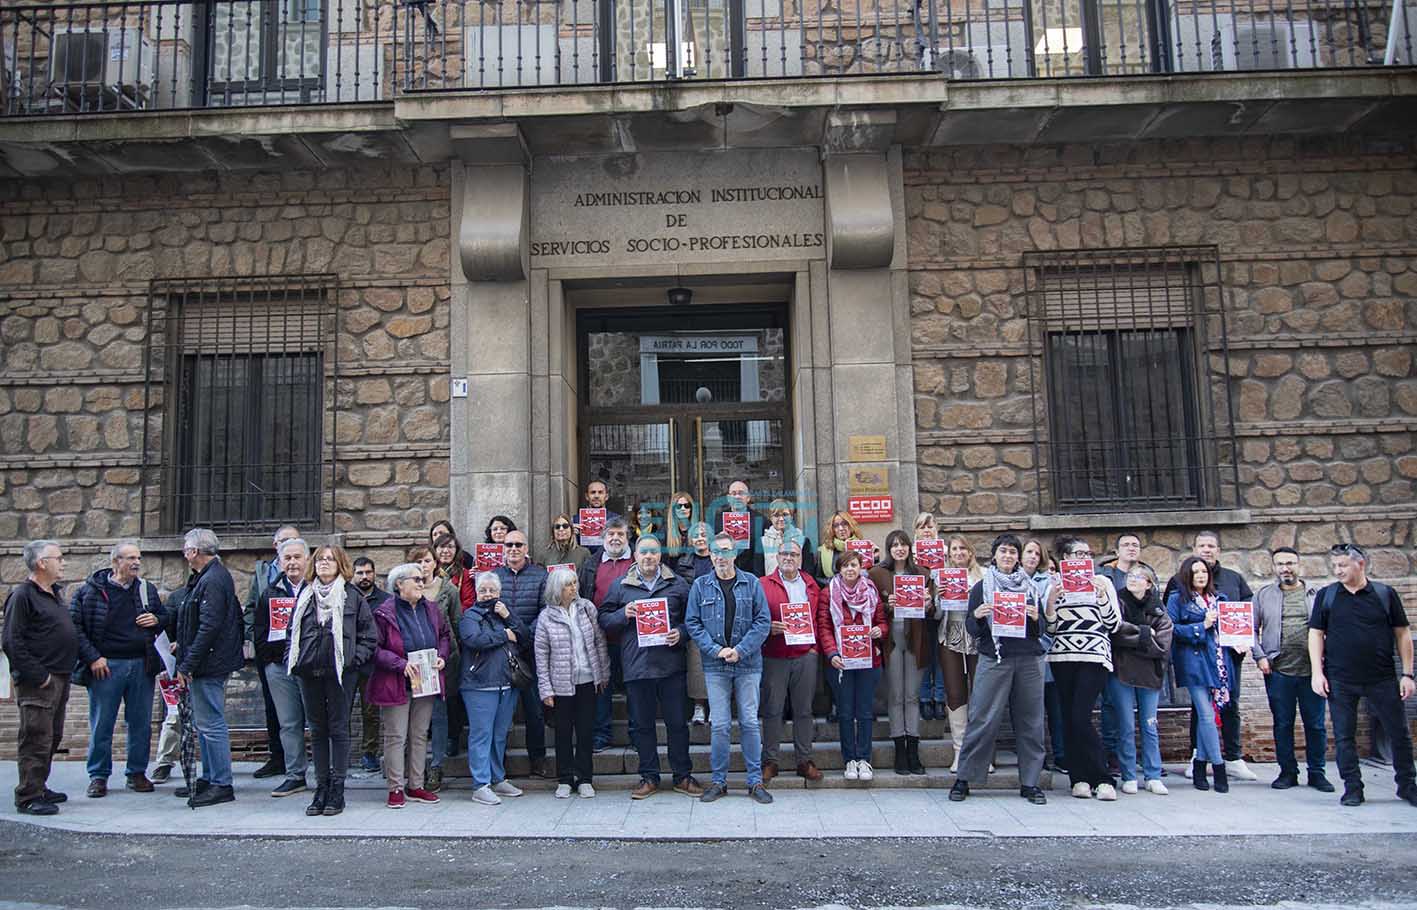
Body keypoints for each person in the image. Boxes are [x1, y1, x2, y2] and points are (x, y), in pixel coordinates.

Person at [1309, 543, 1416, 808]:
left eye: (1343, 565)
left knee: (1399, 732)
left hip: (1382, 677)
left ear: (1361, 564)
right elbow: (1315, 634)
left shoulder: (1384, 594)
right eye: (1334, 566)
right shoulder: (1327, 596)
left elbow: (1402, 634)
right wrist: (1317, 673)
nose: (1338, 570)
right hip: (1340, 679)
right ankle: (1353, 788)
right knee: (1344, 736)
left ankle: (1407, 785)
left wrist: (1408, 674)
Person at [599, 536, 704, 799]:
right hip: (637, 666)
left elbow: (693, 619)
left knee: (677, 724)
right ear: (635, 555)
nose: (648, 556)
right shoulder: (621, 586)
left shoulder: (677, 584)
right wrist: (624, 614)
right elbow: (604, 619)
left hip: (671, 666)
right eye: (643, 551)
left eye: (653, 552)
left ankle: (682, 775)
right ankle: (649, 776)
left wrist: (680, 633)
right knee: (641, 726)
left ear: (660, 556)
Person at [948, 534, 1048, 805]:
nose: (1008, 556)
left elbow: (1043, 629)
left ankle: (1030, 782)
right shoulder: (982, 587)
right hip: (995, 658)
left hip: (1028, 659)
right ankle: (964, 779)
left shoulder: (1030, 588)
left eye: (1013, 552)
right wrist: (978, 616)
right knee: (982, 718)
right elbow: (971, 627)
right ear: (994, 556)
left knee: (1031, 722)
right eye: (1003, 552)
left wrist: (1038, 619)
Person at [70, 540, 166, 798]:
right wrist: (93, 658)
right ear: (116, 562)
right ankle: (98, 776)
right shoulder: (89, 591)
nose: (136, 563)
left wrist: (157, 619)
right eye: (130, 558)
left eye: (138, 558)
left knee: (141, 723)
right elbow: (75, 627)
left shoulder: (146, 589)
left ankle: (136, 773)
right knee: (102, 723)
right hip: (106, 666)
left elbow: (165, 618)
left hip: (141, 665)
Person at [286, 544, 376, 817]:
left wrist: (352, 660)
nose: (324, 563)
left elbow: (369, 636)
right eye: (321, 559)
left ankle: (337, 787)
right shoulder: (305, 595)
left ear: (340, 565)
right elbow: (292, 632)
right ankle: (320, 786)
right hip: (309, 672)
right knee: (317, 730)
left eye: (330, 559)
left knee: (338, 729)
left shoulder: (352, 596)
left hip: (340, 674)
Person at [686, 532, 773, 804]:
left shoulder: (752, 583)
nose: (721, 557)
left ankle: (755, 782)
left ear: (735, 554)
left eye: (726, 551)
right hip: (715, 666)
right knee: (720, 725)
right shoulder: (700, 586)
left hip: (748, 665)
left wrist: (740, 650)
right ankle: (718, 782)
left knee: (749, 722)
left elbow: (763, 621)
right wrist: (717, 650)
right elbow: (693, 623)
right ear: (710, 555)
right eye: (716, 552)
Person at [1165, 530, 1257, 782]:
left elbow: (1245, 613)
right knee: (1202, 711)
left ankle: (1232, 758)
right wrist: (1201, 626)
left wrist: (1243, 640)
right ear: (1194, 549)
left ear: (1218, 550)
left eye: (1212, 545)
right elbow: (1169, 624)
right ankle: (1205, 761)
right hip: (1196, 659)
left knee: (1229, 705)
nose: (1207, 550)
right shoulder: (1177, 585)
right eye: (1202, 545)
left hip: (1225, 658)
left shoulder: (1232, 580)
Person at [3, 540, 77, 816]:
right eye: (58, 558)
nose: (63, 562)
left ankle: (40, 785)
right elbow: (12, 640)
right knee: (35, 737)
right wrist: (39, 676)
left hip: (60, 675)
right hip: (40, 681)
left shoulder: (53, 593)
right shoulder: (23, 595)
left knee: (52, 735)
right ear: (41, 563)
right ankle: (28, 795)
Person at [368, 563, 450, 809]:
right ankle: (395, 787)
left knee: (419, 735)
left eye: (421, 578)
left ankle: (416, 785)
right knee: (396, 736)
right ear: (399, 584)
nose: (421, 582)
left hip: (425, 680)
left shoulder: (432, 609)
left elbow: (445, 635)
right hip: (397, 682)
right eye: (415, 579)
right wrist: (399, 664)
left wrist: (442, 656)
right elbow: (374, 648)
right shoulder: (384, 613)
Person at [1045, 536, 1122, 801]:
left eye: (1087, 554)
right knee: (1068, 717)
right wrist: (1052, 602)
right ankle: (1078, 778)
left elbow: (1114, 623)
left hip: (1094, 655)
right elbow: (1050, 628)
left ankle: (1102, 777)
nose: (1084, 559)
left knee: (1081, 715)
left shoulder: (1104, 582)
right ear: (1065, 558)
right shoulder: (1053, 584)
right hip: (1062, 656)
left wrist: (1100, 597)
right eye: (1078, 554)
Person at [173, 528, 245, 808]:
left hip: (209, 664)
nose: (183, 553)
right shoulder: (208, 577)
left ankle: (221, 783)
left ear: (193, 552)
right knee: (204, 724)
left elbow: (209, 625)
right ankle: (209, 777)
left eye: (185, 548)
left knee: (211, 723)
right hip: (206, 662)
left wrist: (188, 663)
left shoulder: (213, 579)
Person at [1253, 547, 1332, 793]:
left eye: (1290, 563)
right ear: (1274, 567)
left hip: (1313, 671)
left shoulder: (1318, 594)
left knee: (1316, 725)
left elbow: (1332, 627)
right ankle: (1287, 772)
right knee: (1283, 723)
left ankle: (1317, 773)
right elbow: (1250, 630)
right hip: (1278, 671)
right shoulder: (1264, 595)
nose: (1285, 568)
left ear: (1299, 565)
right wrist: (1260, 656)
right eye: (1280, 564)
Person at [535, 567, 610, 799]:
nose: (573, 588)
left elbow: (599, 642)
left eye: (575, 583)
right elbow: (541, 654)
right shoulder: (546, 616)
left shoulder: (587, 609)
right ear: (558, 588)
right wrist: (545, 688)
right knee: (563, 733)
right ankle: (565, 778)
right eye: (568, 584)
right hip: (561, 685)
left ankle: (585, 778)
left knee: (586, 731)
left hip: (587, 679)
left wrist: (603, 673)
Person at [459, 571, 532, 806]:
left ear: (499, 592)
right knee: (482, 734)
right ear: (477, 593)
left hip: (506, 683)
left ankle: (497, 777)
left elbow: (524, 636)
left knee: (499, 735)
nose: (488, 594)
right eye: (483, 590)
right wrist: (504, 634)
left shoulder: (504, 613)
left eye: (492, 590)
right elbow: (475, 639)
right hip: (480, 685)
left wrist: (508, 617)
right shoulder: (470, 616)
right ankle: (480, 784)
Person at [816, 549, 889, 781]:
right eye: (846, 565)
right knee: (846, 712)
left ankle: (864, 759)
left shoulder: (870, 590)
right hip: (841, 662)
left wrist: (880, 631)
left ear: (861, 567)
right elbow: (824, 626)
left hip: (868, 660)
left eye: (854, 565)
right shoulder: (829, 592)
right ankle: (849, 759)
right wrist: (831, 653)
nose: (850, 569)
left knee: (865, 712)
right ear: (839, 568)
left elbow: (881, 621)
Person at [251, 538, 312, 799]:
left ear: (307, 560)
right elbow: (260, 630)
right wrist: (268, 660)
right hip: (279, 667)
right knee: (288, 723)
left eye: (297, 557)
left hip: (311, 667)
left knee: (320, 723)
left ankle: (326, 775)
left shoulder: (319, 590)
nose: (292, 562)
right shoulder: (271, 592)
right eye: (287, 558)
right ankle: (295, 775)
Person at [870, 529, 934, 776]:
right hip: (891, 642)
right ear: (889, 548)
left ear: (909, 548)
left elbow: (932, 612)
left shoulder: (923, 574)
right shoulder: (877, 574)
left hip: (916, 641)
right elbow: (872, 608)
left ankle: (913, 749)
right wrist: (888, 606)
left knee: (912, 696)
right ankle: (899, 750)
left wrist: (928, 604)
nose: (899, 548)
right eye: (895, 545)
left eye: (903, 544)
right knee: (896, 695)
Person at [1166, 555, 1232, 793]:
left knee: (1212, 713)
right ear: (1187, 575)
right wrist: (1200, 626)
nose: (1201, 575)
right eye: (1195, 572)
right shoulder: (1177, 599)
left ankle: (1199, 766)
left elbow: (1235, 628)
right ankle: (1219, 766)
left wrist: (1241, 642)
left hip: (1218, 662)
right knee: (1205, 715)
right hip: (1193, 663)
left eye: (1204, 571)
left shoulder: (1220, 599)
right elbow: (1170, 629)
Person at [760, 538, 823, 783]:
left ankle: (804, 760)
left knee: (804, 710)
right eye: (785, 553)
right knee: (772, 709)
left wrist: (815, 648)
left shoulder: (811, 584)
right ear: (777, 557)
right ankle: (770, 761)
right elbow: (754, 617)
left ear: (800, 558)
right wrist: (767, 628)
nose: (789, 557)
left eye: (794, 554)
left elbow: (819, 619)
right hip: (774, 655)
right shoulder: (763, 584)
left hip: (805, 655)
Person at [1107, 567, 1174, 795]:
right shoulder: (1118, 603)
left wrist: (1135, 640)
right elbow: (1116, 633)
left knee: (1149, 725)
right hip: (1122, 671)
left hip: (1149, 673)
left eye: (1139, 577)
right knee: (1125, 725)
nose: (1133, 580)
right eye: (1130, 577)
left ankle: (1153, 774)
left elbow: (1163, 644)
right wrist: (1146, 633)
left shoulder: (1158, 609)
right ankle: (1128, 775)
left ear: (1149, 584)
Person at [242, 525, 300, 780]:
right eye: (284, 544)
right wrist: (255, 643)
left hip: (303, 656)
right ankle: (279, 759)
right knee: (276, 710)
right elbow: (253, 609)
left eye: (294, 544)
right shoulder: (264, 573)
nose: (290, 554)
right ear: (275, 546)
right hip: (273, 655)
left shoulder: (311, 580)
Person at [494, 529, 550, 777]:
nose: (513, 549)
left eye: (518, 544)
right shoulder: (493, 577)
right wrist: (503, 636)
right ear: (503, 549)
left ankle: (537, 760)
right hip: (501, 651)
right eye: (509, 545)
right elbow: (486, 610)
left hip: (530, 651)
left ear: (526, 548)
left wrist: (524, 635)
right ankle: (499, 762)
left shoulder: (540, 576)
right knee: (501, 712)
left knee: (534, 710)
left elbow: (545, 611)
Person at [581, 518, 634, 752]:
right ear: (603, 539)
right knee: (601, 688)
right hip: (600, 636)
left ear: (627, 538)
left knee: (635, 688)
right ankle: (601, 734)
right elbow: (583, 595)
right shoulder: (591, 564)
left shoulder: (637, 561)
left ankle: (636, 733)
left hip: (633, 637)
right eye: (611, 534)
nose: (615, 538)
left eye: (620, 534)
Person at [939, 534, 984, 773]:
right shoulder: (941, 576)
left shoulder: (984, 576)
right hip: (951, 636)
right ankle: (959, 751)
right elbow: (935, 615)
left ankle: (982, 753)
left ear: (970, 552)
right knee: (955, 693)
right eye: (954, 549)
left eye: (962, 548)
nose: (958, 552)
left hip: (978, 639)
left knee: (981, 692)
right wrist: (937, 598)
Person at [1023, 538, 1064, 772]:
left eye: (1037, 554)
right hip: (1020, 651)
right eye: (1028, 552)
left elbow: (1052, 619)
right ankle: (1031, 758)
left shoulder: (1049, 583)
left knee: (1052, 709)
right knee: (1028, 711)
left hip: (1046, 649)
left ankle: (1058, 755)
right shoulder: (1008, 580)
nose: (1032, 557)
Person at [673, 521, 714, 725]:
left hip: (718, 617)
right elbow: (679, 591)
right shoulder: (682, 563)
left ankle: (716, 705)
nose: (700, 538)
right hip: (695, 617)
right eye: (696, 535)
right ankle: (699, 706)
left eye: (704, 534)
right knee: (696, 663)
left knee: (718, 662)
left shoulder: (720, 558)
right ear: (690, 539)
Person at [350, 556, 386, 773]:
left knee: (370, 711)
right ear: (352, 575)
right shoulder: (345, 596)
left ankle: (369, 753)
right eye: (360, 573)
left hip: (373, 663)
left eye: (368, 572)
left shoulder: (385, 599)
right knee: (341, 710)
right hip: (348, 661)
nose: (364, 577)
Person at [914, 512, 946, 721]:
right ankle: (925, 698)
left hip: (943, 613)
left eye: (930, 526)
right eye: (922, 527)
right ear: (916, 532)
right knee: (924, 656)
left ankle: (940, 698)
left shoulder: (947, 554)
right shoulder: (910, 556)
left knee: (942, 658)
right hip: (919, 613)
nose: (927, 530)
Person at [756, 499, 819, 580]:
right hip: (770, 589)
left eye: (785, 515)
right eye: (776, 515)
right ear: (771, 518)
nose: (781, 519)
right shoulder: (762, 542)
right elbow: (758, 573)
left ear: (792, 517)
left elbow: (808, 572)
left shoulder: (803, 541)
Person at [574, 480, 622, 554]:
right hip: (584, 562)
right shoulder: (576, 520)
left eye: (600, 492)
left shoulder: (616, 519)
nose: (596, 496)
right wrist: (571, 535)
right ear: (587, 496)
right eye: (593, 492)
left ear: (606, 496)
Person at [664, 491, 698, 558]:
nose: (683, 509)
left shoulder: (699, 530)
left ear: (691, 509)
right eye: (679, 506)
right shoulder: (665, 531)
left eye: (686, 506)